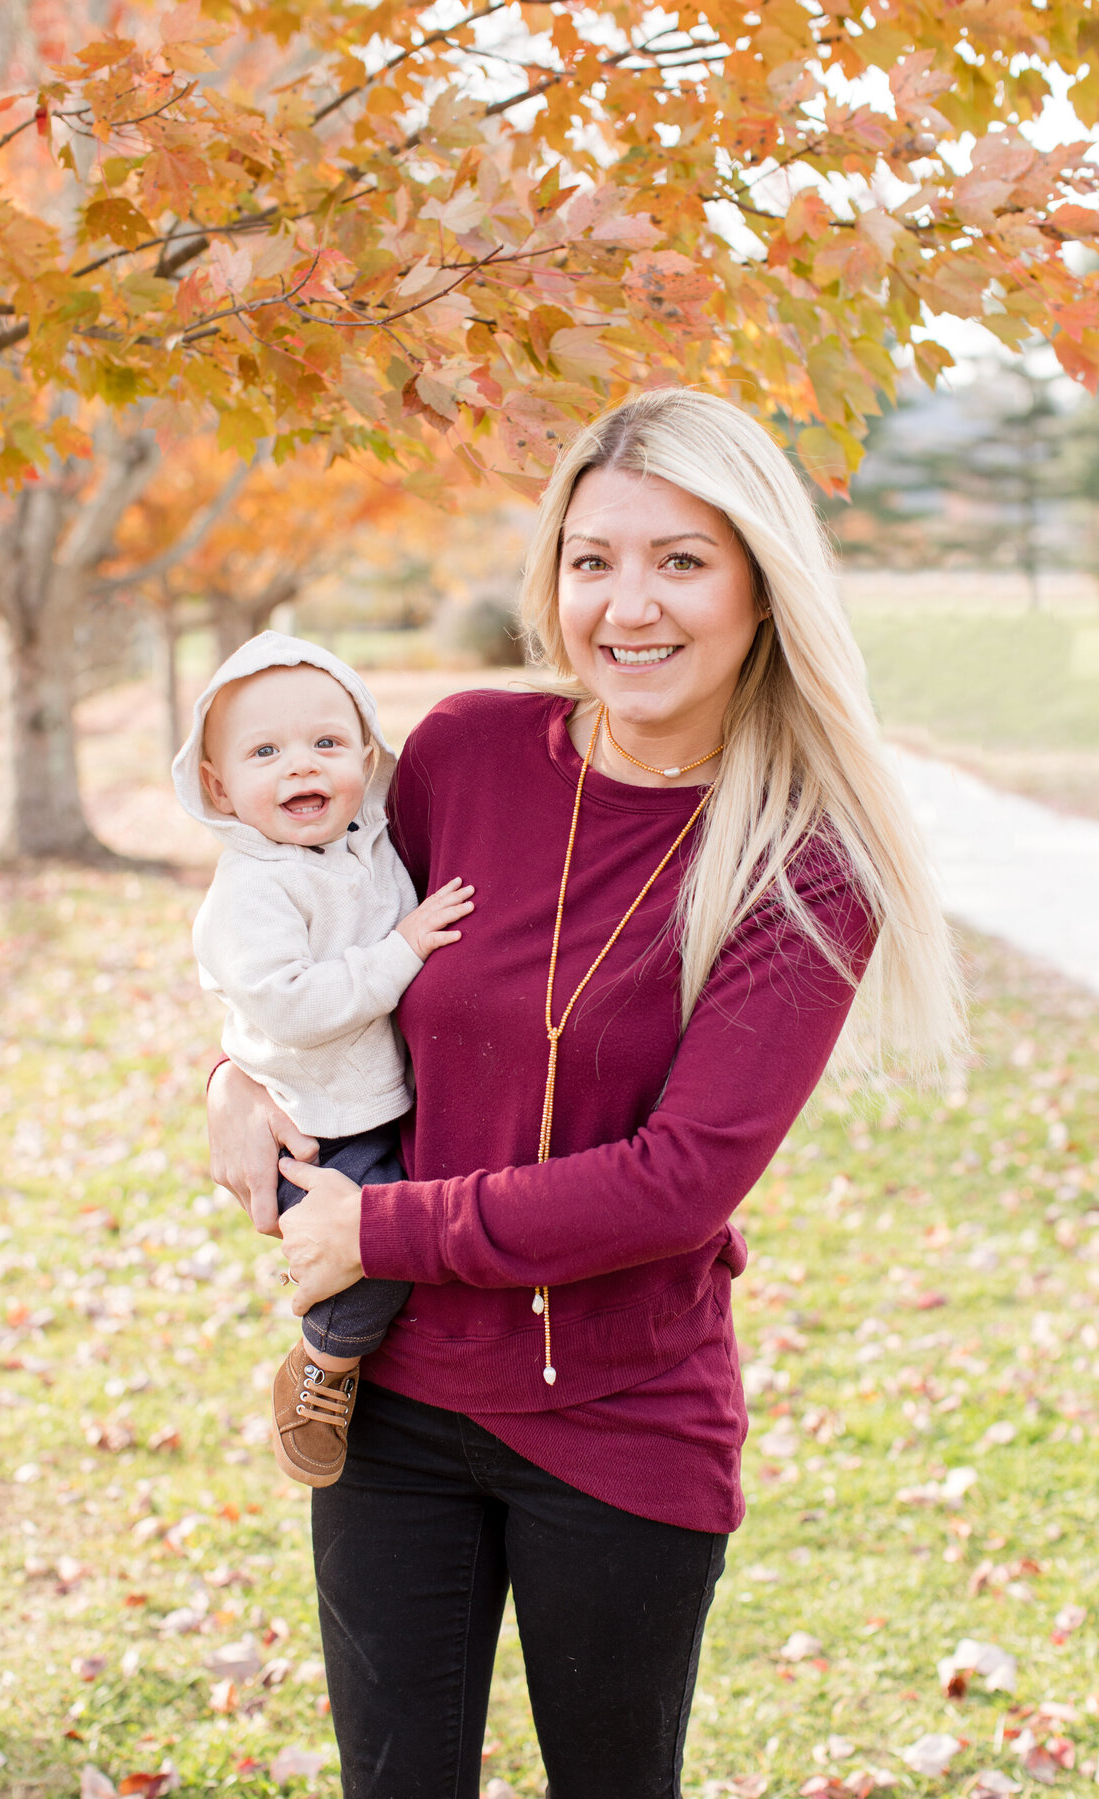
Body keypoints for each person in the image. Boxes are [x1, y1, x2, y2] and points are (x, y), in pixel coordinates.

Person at [206, 390, 962, 1799]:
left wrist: (383, 1232)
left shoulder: (803, 859)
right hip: (395, 1404)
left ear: (759, 585)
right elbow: (309, 949)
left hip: (623, 1420)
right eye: (592, 557)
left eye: (681, 559)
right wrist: (230, 1077)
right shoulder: (464, 753)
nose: (630, 603)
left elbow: (679, 1179)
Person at [172, 632, 473, 1485]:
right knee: (373, 1241)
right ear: (219, 785)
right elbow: (291, 1007)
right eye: (265, 752)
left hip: (383, 1094)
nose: (300, 765)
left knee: (411, 1224)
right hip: (322, 1118)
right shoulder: (252, 889)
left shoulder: (365, 846)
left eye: (327, 744)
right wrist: (404, 950)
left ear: (367, 755)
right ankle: (322, 1362)